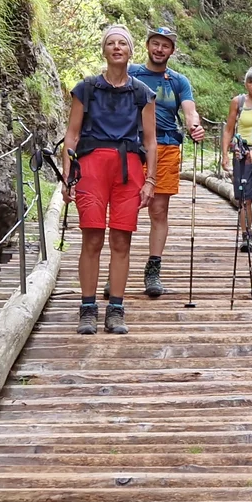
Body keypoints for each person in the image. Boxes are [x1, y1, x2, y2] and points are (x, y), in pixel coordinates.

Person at [61, 25, 158, 335]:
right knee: (92, 238)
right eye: (111, 43)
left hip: (128, 168)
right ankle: (87, 307)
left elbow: (152, 141)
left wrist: (151, 180)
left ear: (131, 51)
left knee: (121, 240)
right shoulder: (86, 88)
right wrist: (67, 174)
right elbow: (72, 134)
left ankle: (116, 308)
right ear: (104, 50)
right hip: (91, 166)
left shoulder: (143, 93)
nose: (117, 48)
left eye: (123, 44)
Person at [127, 25, 205, 299]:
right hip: (132, 147)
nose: (160, 49)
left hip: (166, 146)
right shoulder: (131, 73)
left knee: (158, 210)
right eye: (156, 44)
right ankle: (118, 271)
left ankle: (153, 269)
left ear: (172, 50)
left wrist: (194, 126)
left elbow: (189, 111)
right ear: (148, 45)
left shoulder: (178, 81)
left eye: (165, 45)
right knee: (126, 208)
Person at [222, 67, 252, 253]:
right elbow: (229, 128)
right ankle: (246, 236)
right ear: (246, 84)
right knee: (244, 198)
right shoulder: (238, 102)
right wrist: (225, 154)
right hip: (242, 154)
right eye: (251, 81)